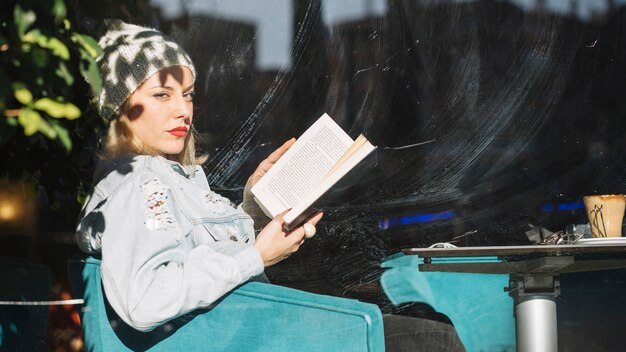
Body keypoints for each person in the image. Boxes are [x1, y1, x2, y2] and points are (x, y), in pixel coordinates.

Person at [75, 20, 465, 351]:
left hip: (254, 329)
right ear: (121, 106)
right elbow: (146, 300)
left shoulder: (164, 177)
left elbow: (186, 253)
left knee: (428, 325)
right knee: (434, 339)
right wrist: (257, 256)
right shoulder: (140, 185)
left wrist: (252, 209)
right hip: (249, 334)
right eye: (162, 95)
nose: (183, 110)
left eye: (188, 95)